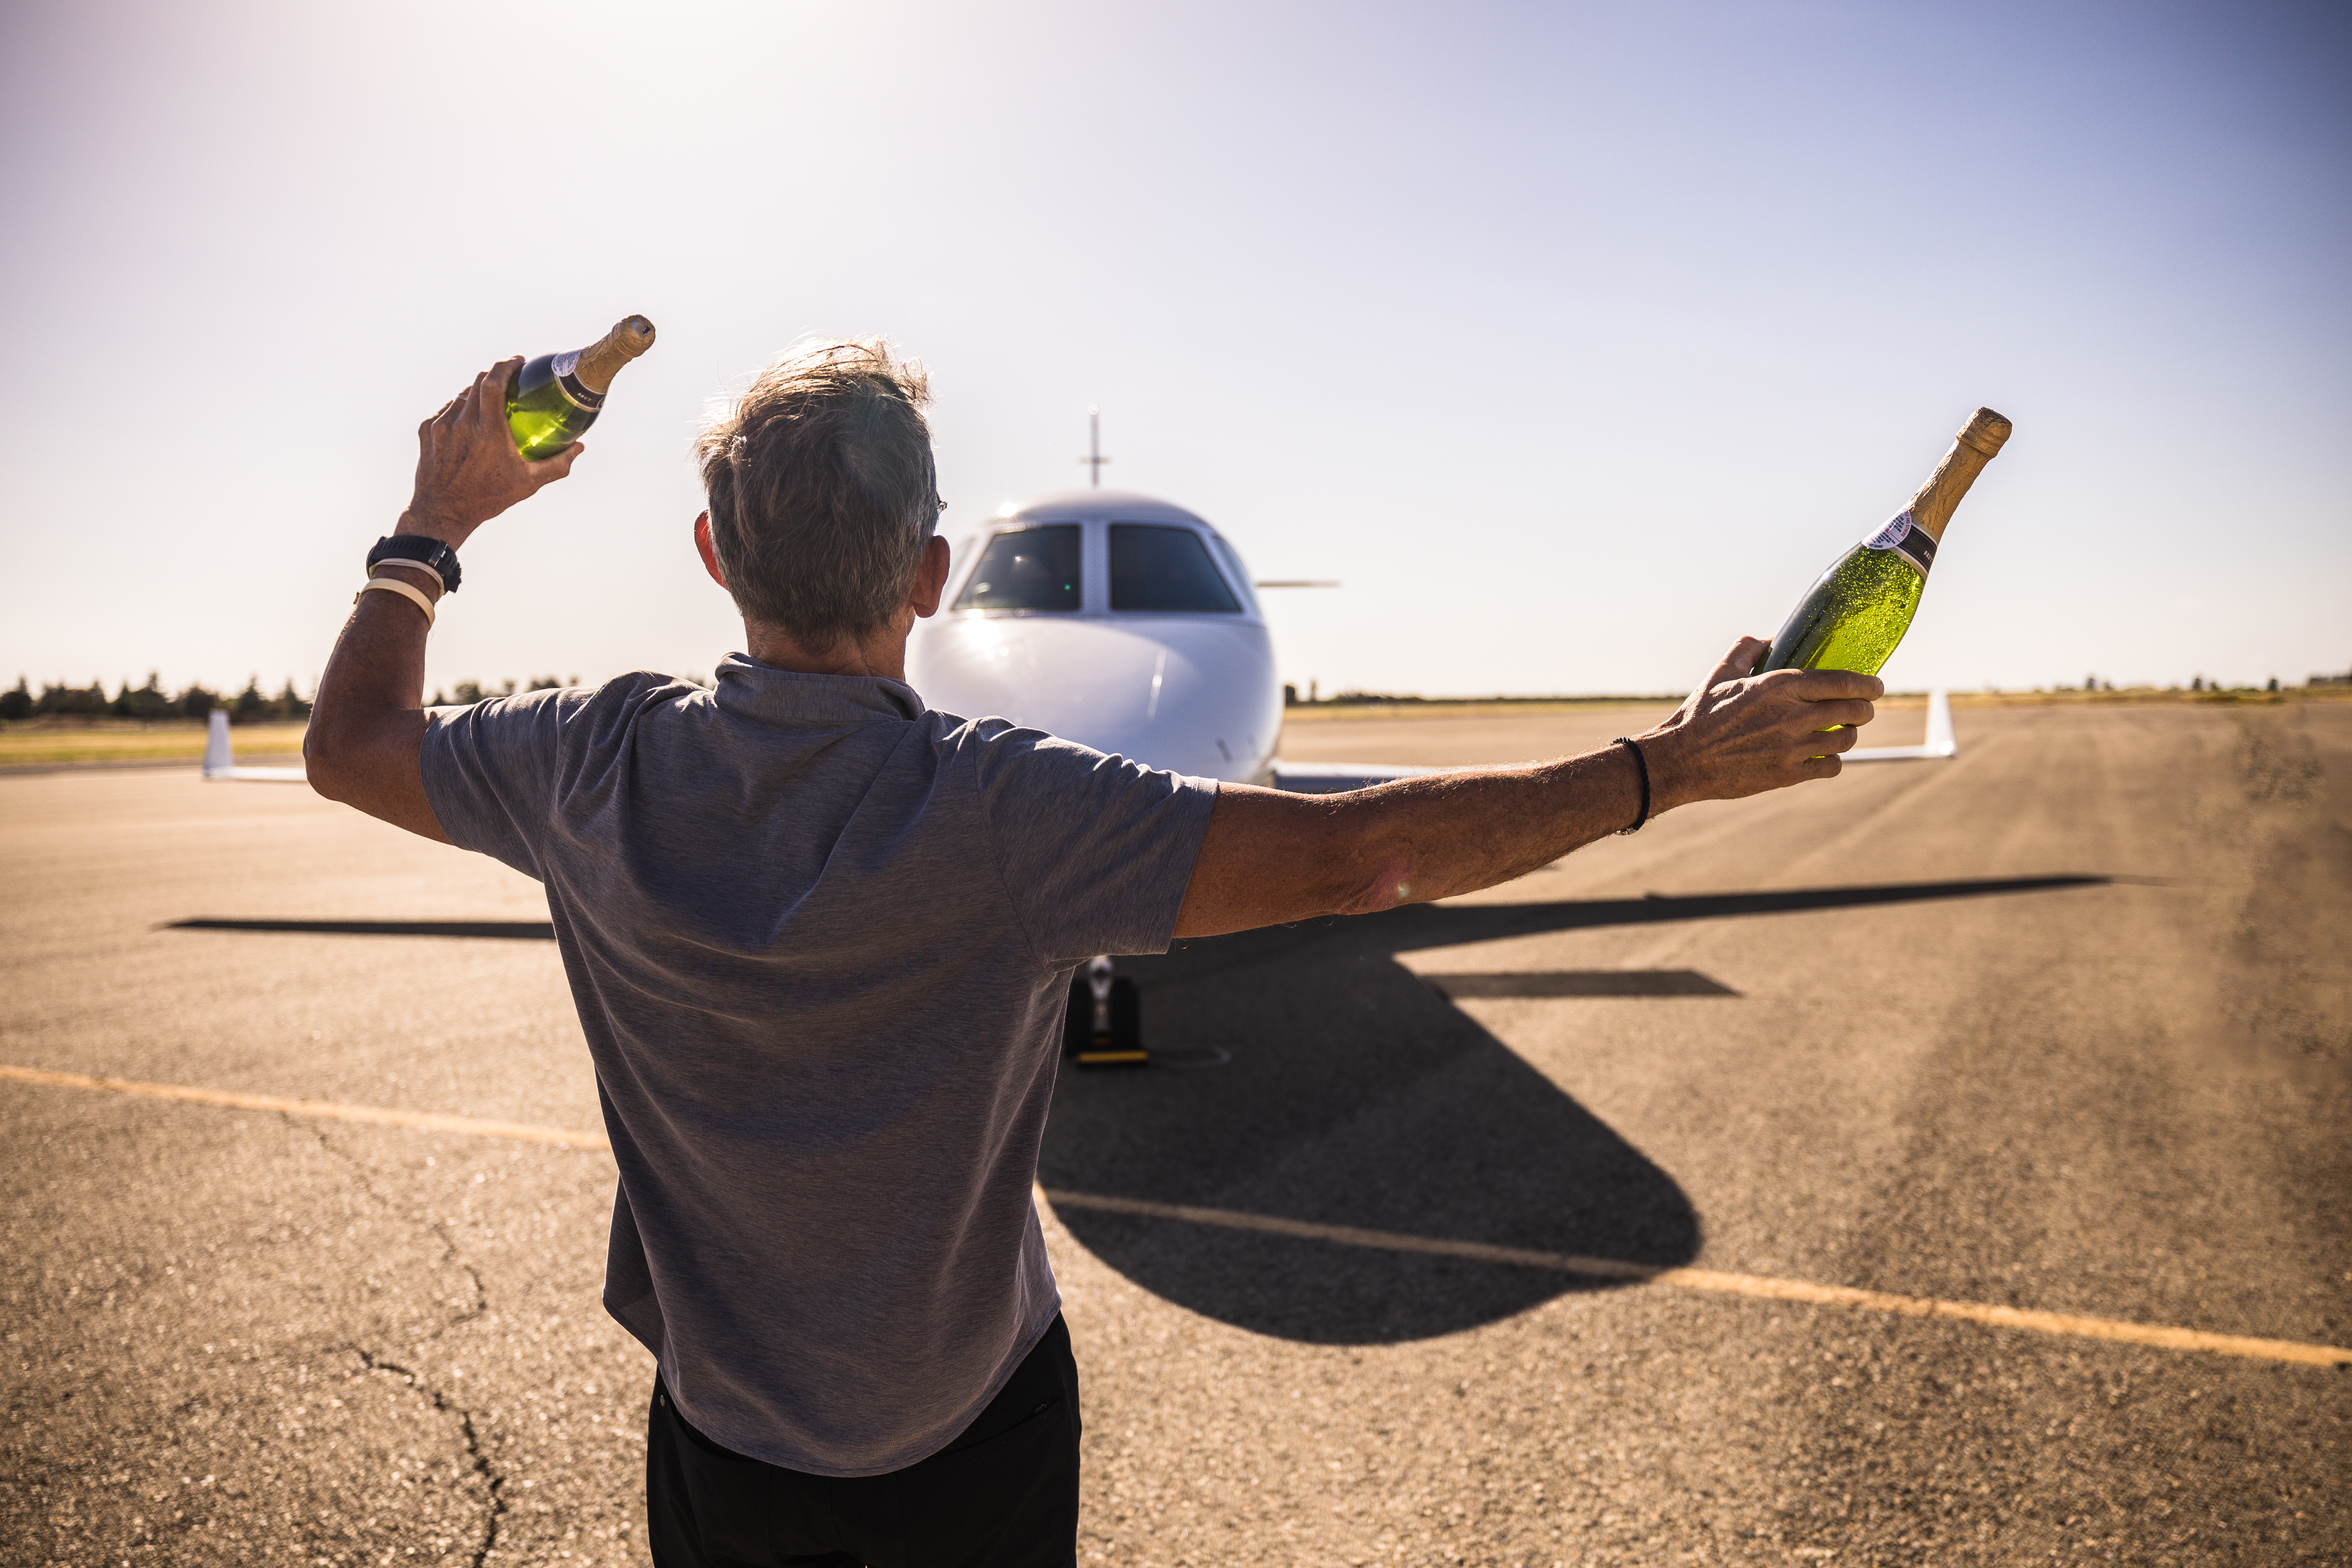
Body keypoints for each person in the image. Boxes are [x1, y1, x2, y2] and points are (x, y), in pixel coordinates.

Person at [306, 339, 1882, 1568]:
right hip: (967, 1437)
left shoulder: (591, 763)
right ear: (928, 579)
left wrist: (433, 527)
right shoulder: (1010, 810)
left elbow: (352, 744)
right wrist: (1667, 767)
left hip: (720, 1437)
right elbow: (1359, 856)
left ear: (714, 557)